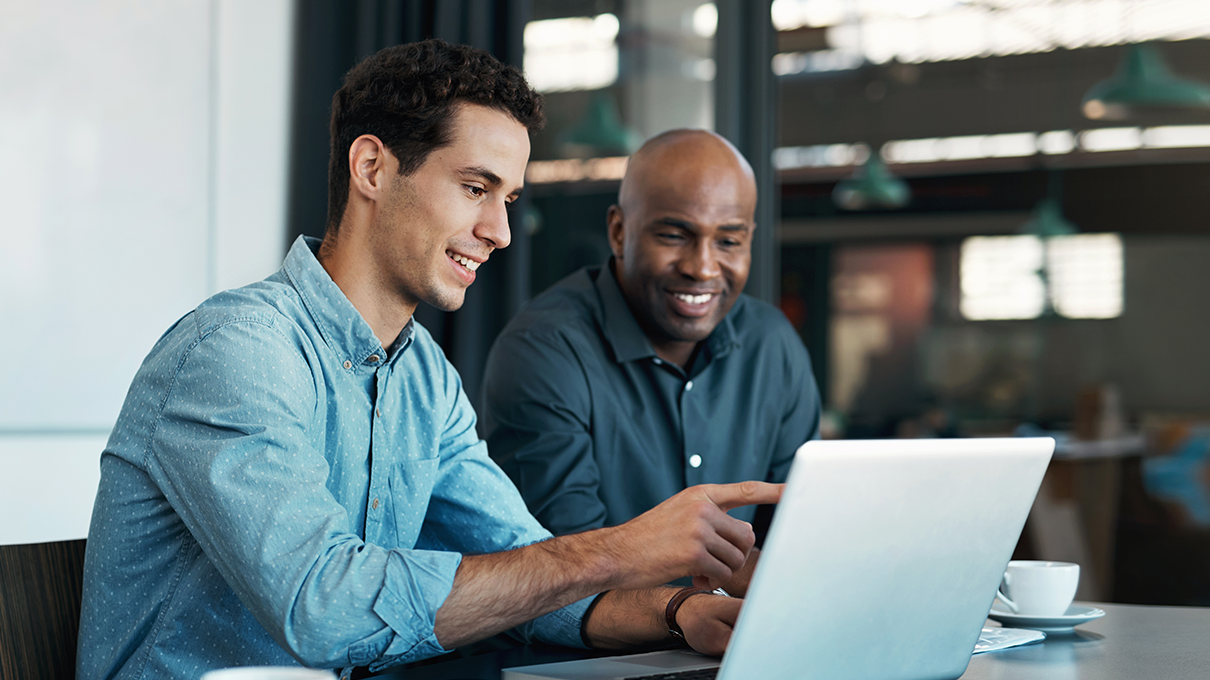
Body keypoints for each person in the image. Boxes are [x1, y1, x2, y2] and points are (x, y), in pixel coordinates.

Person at [77, 41, 778, 679]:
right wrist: (619, 549)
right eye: (476, 188)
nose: (499, 232)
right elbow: (325, 610)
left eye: (508, 199)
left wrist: (677, 612)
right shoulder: (238, 352)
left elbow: (530, 583)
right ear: (373, 168)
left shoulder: (425, 381)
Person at [480, 129, 821, 562]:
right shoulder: (543, 349)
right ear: (620, 232)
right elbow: (563, 564)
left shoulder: (772, 343)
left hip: (743, 627)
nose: (702, 267)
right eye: (675, 236)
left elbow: (799, 531)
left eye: (729, 241)